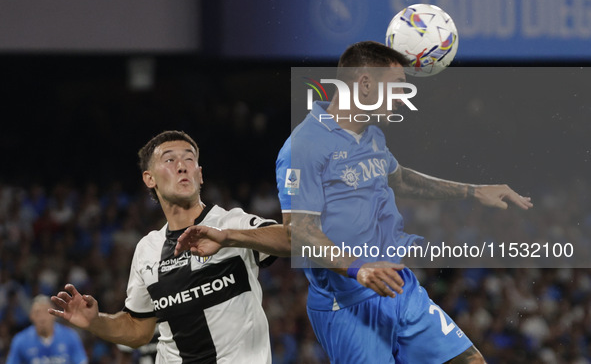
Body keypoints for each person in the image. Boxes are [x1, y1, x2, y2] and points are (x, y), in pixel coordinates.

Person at [273, 41, 533, 363]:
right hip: (348, 302)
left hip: (399, 285)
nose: (403, 98)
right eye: (398, 88)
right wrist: (359, 269)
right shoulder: (304, 146)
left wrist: (473, 191)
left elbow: (400, 178)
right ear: (365, 83)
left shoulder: (372, 136)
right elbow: (298, 229)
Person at [49, 130, 290, 363]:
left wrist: (228, 237)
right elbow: (138, 329)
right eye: (170, 160)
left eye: (189, 159)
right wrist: (95, 321)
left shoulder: (231, 223)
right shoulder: (147, 249)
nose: (182, 166)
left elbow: (294, 240)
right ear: (149, 178)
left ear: (200, 174)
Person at [6, 294, 88, 364]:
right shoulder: (20, 340)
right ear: (31, 316)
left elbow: (81, 361)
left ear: (54, 315)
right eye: (37, 312)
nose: (42, 317)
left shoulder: (70, 336)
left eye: (46, 311)